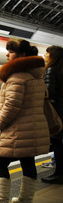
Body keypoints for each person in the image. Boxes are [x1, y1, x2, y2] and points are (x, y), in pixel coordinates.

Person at [0, 39, 49, 203]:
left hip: (16, 130)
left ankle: (0, 200)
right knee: (28, 161)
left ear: (23, 55)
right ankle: (25, 201)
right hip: (30, 129)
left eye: (11, 51)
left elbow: (12, 105)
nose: (7, 54)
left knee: (0, 161)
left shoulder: (17, 76)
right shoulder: (37, 76)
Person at [42, 45, 63, 184]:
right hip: (62, 112)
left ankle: (59, 174)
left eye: (47, 53)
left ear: (53, 56)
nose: (45, 56)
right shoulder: (61, 70)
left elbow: (49, 94)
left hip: (57, 113)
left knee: (57, 144)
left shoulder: (50, 70)